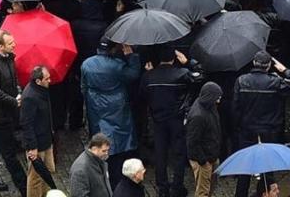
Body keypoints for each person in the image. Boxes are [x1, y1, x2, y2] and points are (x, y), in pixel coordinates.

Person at [232, 51, 290, 197]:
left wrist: (239, 126)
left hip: (247, 129)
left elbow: (236, 108)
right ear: (269, 65)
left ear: (254, 63)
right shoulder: (274, 82)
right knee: (269, 168)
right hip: (269, 130)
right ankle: (267, 193)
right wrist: (284, 70)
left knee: (244, 169)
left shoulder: (241, 80)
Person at [81, 40, 141, 190]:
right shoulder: (117, 65)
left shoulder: (87, 64)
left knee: (101, 132)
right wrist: (132, 57)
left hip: (95, 104)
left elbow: (83, 85)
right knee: (121, 135)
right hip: (116, 104)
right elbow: (133, 74)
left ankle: (104, 162)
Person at [140, 47, 197, 197]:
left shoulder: (149, 76)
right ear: (174, 59)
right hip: (177, 119)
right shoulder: (182, 74)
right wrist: (188, 62)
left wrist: (147, 73)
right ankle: (177, 186)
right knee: (178, 153)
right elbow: (200, 77)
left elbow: (142, 94)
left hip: (158, 120)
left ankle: (162, 187)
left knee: (160, 154)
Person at [0, 30, 26, 194]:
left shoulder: (9, 58)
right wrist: (14, 101)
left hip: (6, 111)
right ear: (0, 46)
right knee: (9, 153)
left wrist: (18, 90)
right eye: (10, 43)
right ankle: (25, 187)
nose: (14, 45)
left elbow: (13, 80)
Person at [20, 65, 57, 197]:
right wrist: (33, 147)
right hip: (37, 144)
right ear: (38, 81)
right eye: (47, 79)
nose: (50, 81)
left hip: (46, 140)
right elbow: (26, 124)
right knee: (35, 178)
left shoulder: (41, 90)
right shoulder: (30, 97)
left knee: (48, 171)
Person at [186, 82, 223, 197]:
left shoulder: (209, 106)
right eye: (217, 97)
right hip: (203, 160)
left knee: (209, 188)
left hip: (211, 155)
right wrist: (203, 161)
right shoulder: (198, 116)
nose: (219, 100)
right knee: (203, 191)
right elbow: (192, 142)